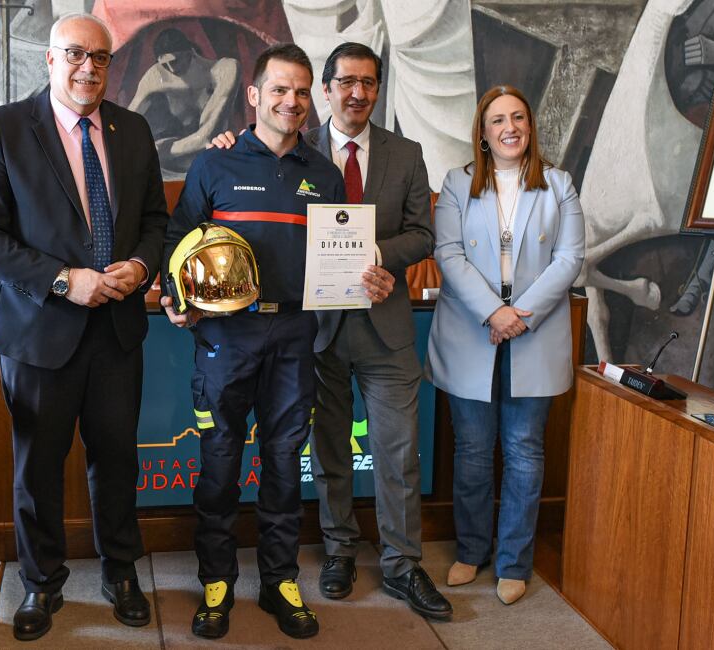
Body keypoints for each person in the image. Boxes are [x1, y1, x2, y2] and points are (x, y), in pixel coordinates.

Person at [208, 42, 451, 621]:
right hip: (313, 332)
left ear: (378, 89)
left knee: (397, 453)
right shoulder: (298, 145)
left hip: (386, 328)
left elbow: (422, 233)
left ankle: (402, 564)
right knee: (329, 452)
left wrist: (377, 255)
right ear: (326, 89)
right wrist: (229, 141)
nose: (357, 93)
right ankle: (339, 550)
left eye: (369, 83)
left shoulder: (407, 154)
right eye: (346, 82)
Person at [0, 13, 169, 641]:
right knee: (38, 467)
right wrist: (62, 278)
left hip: (117, 329)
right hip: (38, 329)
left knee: (117, 460)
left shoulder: (132, 130)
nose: (89, 67)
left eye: (101, 57)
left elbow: (156, 221)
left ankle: (121, 574)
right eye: (76, 54)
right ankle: (41, 583)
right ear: (49, 60)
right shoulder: (2, 128)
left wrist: (139, 263)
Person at [161, 43, 345, 640]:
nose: (290, 102)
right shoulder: (216, 165)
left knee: (285, 463)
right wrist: (176, 294)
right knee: (218, 461)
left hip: (295, 332)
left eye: (300, 92)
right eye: (279, 90)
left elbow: (338, 256)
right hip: (226, 335)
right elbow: (178, 239)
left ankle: (279, 580)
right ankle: (217, 582)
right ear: (254, 95)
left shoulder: (325, 174)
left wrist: (360, 269)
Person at [427, 85, 584, 605]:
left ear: (531, 127)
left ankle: (514, 561)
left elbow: (569, 260)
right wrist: (493, 311)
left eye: (519, 117)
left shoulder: (559, 185)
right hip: (472, 326)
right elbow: (448, 254)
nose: (510, 127)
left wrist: (518, 317)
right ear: (483, 132)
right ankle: (472, 551)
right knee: (471, 451)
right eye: (498, 120)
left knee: (523, 450)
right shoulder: (457, 183)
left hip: (533, 329)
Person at [128, 28, 240, 177]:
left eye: (174, 61)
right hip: (170, 165)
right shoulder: (156, 76)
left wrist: (158, 151)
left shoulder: (224, 70)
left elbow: (207, 138)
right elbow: (126, 123)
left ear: (190, 52)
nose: (170, 69)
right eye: (164, 65)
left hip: (214, 159)